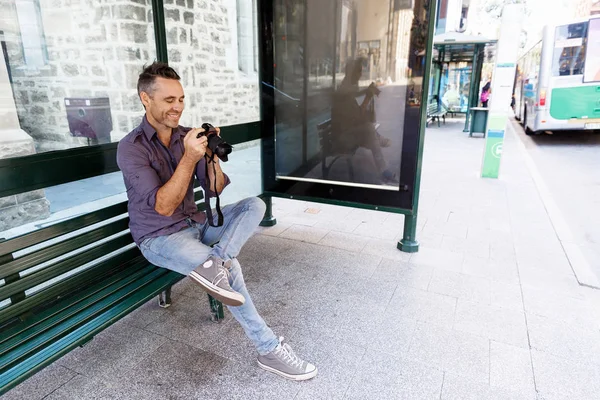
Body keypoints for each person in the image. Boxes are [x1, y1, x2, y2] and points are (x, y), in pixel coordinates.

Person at [116, 62, 317, 381]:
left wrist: (209, 156)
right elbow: (164, 207)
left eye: (181, 99)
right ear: (146, 98)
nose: (178, 107)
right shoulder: (131, 148)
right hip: (160, 237)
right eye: (169, 100)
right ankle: (268, 349)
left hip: (196, 225)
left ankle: (217, 264)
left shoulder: (187, 136)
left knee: (253, 205)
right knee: (232, 269)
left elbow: (215, 188)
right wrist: (189, 157)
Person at [331, 58, 397, 183]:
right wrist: (368, 96)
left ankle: (383, 167)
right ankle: (383, 167)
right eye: (359, 71)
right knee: (369, 129)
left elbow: (355, 116)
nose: (361, 74)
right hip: (341, 139)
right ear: (352, 73)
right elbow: (357, 117)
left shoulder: (348, 87)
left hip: (347, 132)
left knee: (369, 132)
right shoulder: (345, 90)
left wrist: (367, 93)